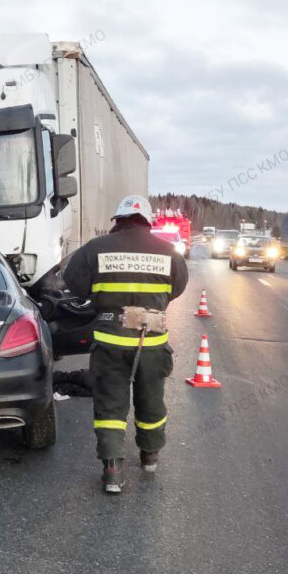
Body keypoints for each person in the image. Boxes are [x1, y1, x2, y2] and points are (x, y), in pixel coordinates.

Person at [63, 195, 188, 494]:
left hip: (110, 341)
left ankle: (113, 470)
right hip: (152, 342)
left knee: (110, 403)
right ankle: (150, 455)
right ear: (147, 221)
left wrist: (98, 295)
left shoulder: (96, 248)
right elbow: (178, 287)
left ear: (118, 220)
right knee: (151, 400)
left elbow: (72, 280)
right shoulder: (169, 251)